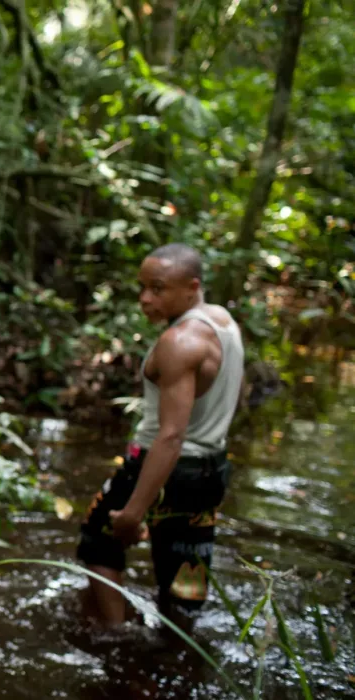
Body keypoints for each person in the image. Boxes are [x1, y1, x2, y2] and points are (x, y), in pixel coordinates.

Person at [76, 243, 244, 624]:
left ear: (191, 287)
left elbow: (171, 436)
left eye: (158, 288)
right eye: (143, 287)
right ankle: (177, 656)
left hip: (165, 467)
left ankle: (115, 639)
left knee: (98, 545)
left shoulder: (179, 342)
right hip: (209, 471)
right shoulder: (223, 322)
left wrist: (134, 514)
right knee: (185, 583)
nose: (145, 299)